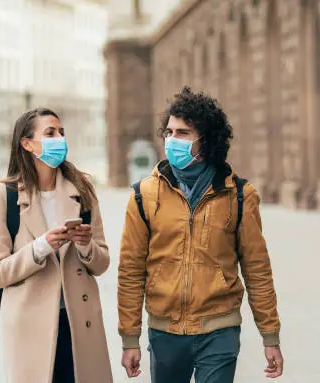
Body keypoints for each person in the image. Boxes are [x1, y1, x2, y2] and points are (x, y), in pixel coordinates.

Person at [117, 87, 283, 383]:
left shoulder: (240, 196)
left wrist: (269, 335)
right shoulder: (143, 196)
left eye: (182, 133)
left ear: (205, 141)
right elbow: (131, 270)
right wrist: (130, 338)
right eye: (168, 132)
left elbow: (257, 268)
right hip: (165, 332)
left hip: (219, 330)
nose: (171, 140)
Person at [0, 108, 113, 383]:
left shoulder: (82, 189)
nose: (59, 138)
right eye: (50, 133)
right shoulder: (4, 196)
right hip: (30, 327)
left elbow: (102, 263)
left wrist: (85, 245)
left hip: (78, 323)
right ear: (27, 143)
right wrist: (41, 247)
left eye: (61, 132)